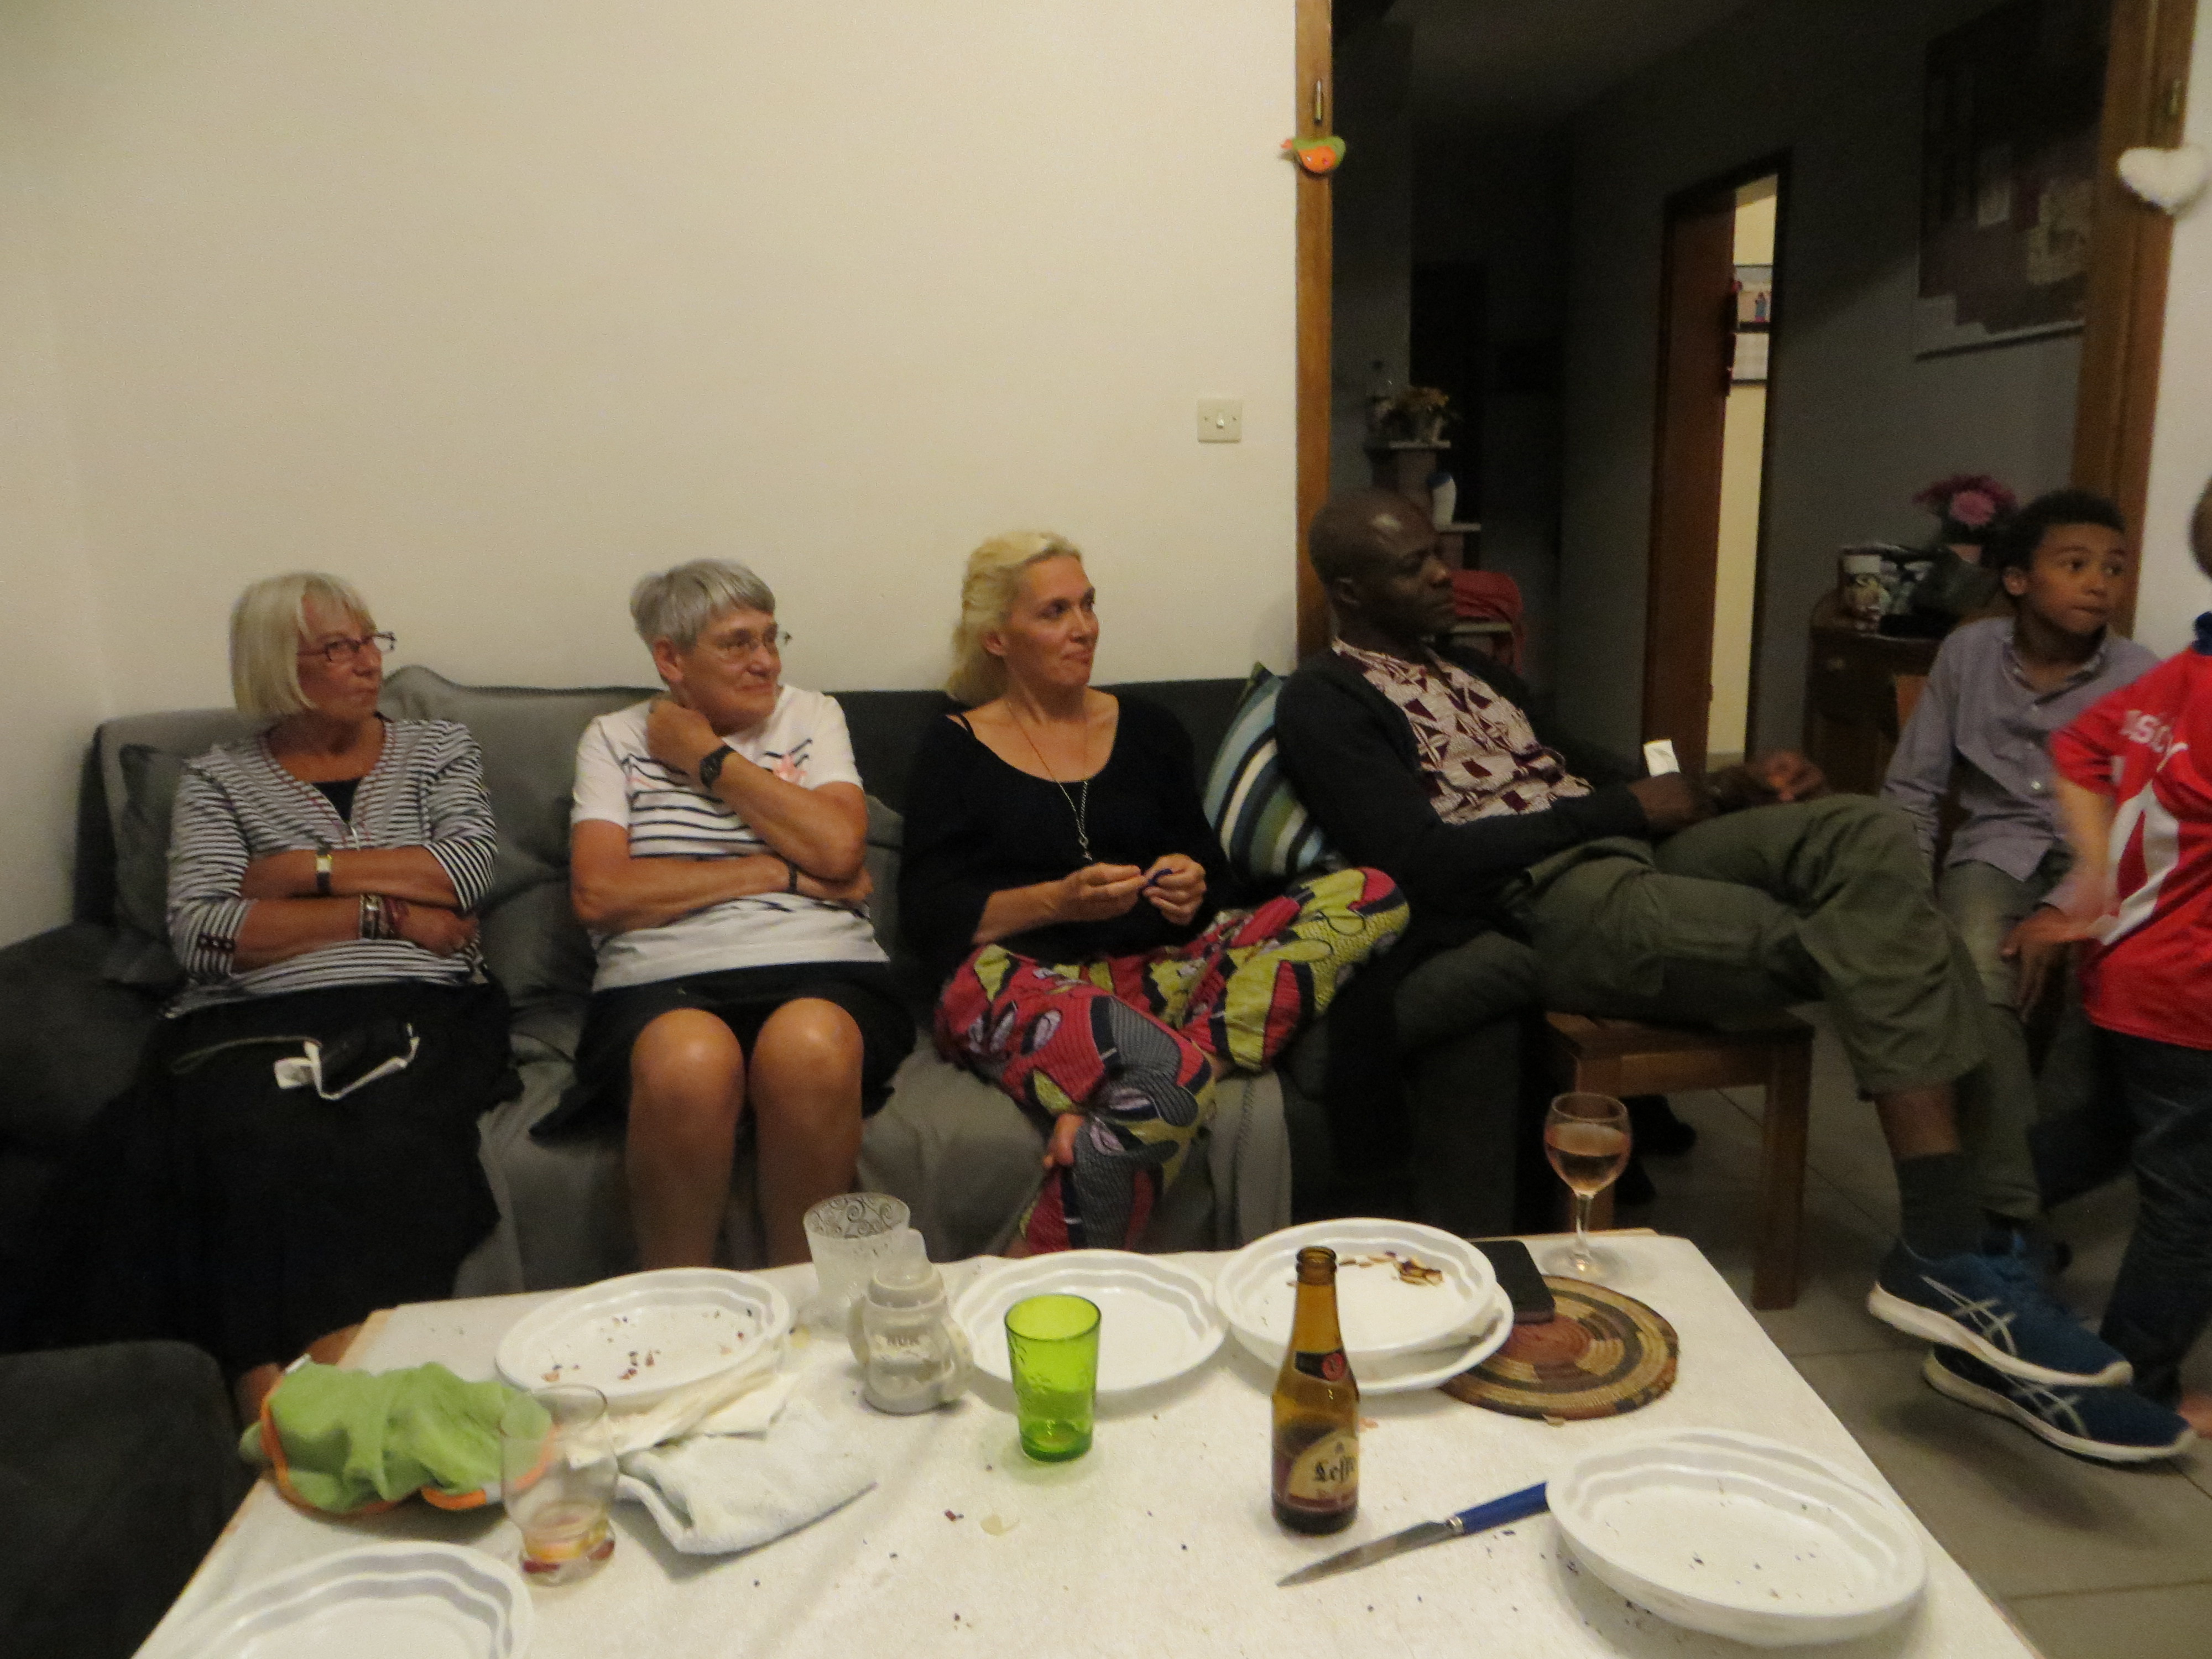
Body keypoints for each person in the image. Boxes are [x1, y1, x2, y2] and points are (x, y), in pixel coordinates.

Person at [1274, 488, 2135, 1410]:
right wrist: (1621, 810)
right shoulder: (1324, 699)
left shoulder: (1471, 671)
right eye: (1413, 565)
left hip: (1635, 845)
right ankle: (1976, 1238)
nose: (1444, 573)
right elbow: (1419, 860)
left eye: (1437, 552)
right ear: (1351, 591)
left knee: (1866, 832)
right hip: (1551, 893)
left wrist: (1728, 788)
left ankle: (1953, 1248)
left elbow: (1591, 769)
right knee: (1895, 941)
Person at [2, 573, 510, 1418]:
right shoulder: (219, 780)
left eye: (370, 641)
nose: (368, 663)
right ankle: (260, 1391)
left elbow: (463, 873)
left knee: (382, 1142)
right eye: (339, 649)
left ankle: (326, 1383)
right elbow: (205, 933)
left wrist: (296, 872)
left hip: (418, 1003)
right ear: (278, 666)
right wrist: (385, 912)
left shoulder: (437, 749)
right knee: (229, 1136)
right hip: (253, 1015)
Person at [900, 532, 1407, 1254]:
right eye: (1054, 612)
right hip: (1015, 983)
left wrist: (1192, 888)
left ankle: (1149, 1082)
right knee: (1164, 1075)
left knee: (1373, 893)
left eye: (1088, 604)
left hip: (1159, 977)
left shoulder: (1148, 729)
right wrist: (1058, 901)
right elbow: (929, 917)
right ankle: (1039, 1271)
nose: (1083, 628)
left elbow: (1214, 882)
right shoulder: (954, 747)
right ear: (997, 638)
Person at [553, 560, 913, 1269]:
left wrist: (708, 758)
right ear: (670, 659)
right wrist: (777, 871)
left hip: (823, 967)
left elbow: (840, 850)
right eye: (737, 644)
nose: (766, 662)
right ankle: (683, 1300)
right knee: (690, 1061)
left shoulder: (811, 715)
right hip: (663, 979)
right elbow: (600, 894)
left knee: (808, 1047)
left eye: (771, 639)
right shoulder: (614, 739)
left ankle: (804, 1293)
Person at [1973, 476, 2212, 1459]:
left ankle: (1969, 1248)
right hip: (2193, 996)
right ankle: (2133, 1384)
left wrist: (2094, 878)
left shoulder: (2182, 674)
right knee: (2190, 1199)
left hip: (2129, 970)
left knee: (2110, 1133)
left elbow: (2079, 748)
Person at [1882, 489, 2158, 1231]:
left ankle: (2025, 1188)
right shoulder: (1968, 653)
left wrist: (2061, 910)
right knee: (1977, 970)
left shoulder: (2140, 674)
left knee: (2096, 1001)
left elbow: (2139, 818)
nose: (2098, 583)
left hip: (2101, 863)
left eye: (2114, 568)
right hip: (1994, 850)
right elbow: (1912, 788)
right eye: (2075, 564)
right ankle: (2014, 1210)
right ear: (2017, 579)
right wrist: (1906, 898)